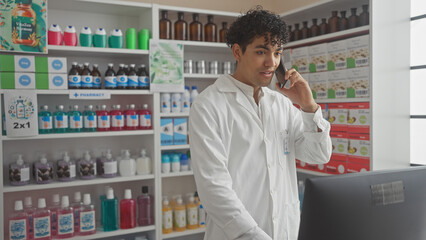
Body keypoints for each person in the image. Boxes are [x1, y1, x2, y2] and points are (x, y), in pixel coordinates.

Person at [189, 7, 332, 240]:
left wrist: (308, 106)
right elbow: (214, 189)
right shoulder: (209, 105)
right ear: (237, 52)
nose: (271, 62)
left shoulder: (281, 104)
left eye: (277, 53)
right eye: (261, 52)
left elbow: (319, 154)